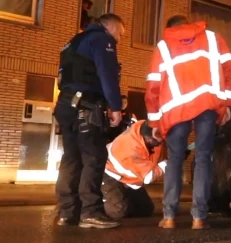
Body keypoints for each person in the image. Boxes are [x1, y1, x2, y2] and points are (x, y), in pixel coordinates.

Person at [145, 15, 231, 229]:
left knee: (175, 161)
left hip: (175, 110)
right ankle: (199, 217)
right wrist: (228, 104)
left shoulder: (164, 46)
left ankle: (169, 217)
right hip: (207, 106)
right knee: (204, 158)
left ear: (170, 28)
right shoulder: (213, 39)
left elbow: (153, 86)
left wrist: (155, 122)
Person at [54, 13, 125, 229]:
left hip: (66, 105)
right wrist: (115, 107)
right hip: (85, 106)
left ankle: (67, 213)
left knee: (71, 158)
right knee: (94, 156)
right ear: (111, 28)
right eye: (120, 33)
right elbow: (107, 75)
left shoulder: (73, 42)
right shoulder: (102, 40)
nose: (119, 39)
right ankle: (91, 212)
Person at [102, 119, 165, 220]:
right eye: (157, 139)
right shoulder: (131, 150)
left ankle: (121, 197)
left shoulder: (145, 131)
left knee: (145, 209)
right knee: (118, 211)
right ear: (148, 138)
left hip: (127, 177)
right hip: (108, 173)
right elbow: (149, 176)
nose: (160, 141)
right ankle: (93, 205)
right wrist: (167, 164)